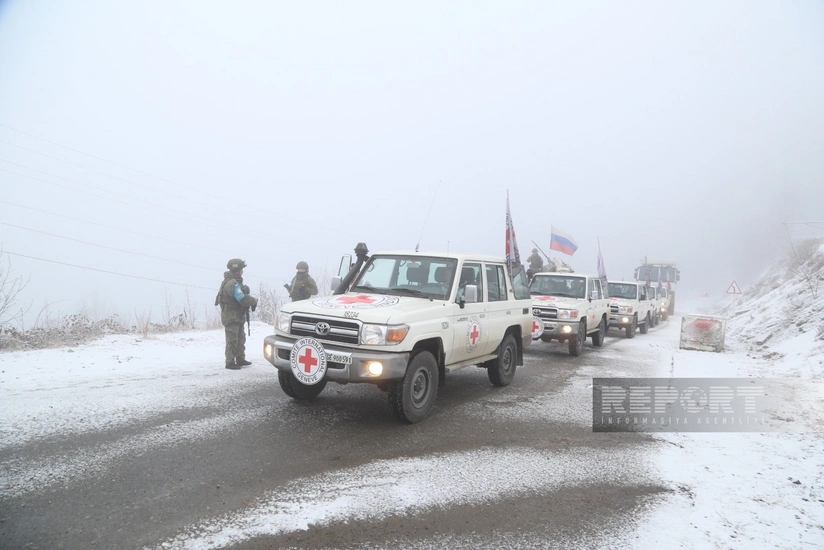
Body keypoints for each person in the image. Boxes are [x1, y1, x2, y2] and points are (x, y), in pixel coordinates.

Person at [217, 259, 257, 370]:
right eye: (241, 269)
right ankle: (229, 362)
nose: (242, 272)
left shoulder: (234, 282)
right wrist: (253, 300)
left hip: (237, 316)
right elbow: (242, 299)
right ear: (237, 270)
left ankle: (240, 359)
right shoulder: (232, 283)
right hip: (231, 316)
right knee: (232, 339)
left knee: (240, 338)